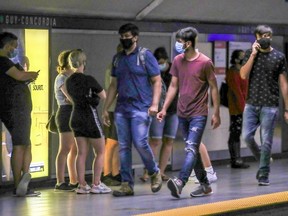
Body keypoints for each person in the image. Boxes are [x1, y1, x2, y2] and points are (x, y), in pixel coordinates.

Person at [157, 27, 221, 198]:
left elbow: (214, 88)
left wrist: (216, 113)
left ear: (188, 43)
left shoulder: (205, 62)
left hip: (199, 113)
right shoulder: (178, 61)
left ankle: (180, 182)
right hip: (182, 113)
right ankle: (206, 186)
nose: (177, 44)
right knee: (193, 151)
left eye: (179, 41)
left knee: (191, 149)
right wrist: (163, 108)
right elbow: (173, 86)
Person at [102, 23, 163, 197]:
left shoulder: (145, 56)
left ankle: (153, 172)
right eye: (122, 37)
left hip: (141, 108)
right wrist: (106, 108)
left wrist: (154, 104)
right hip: (122, 108)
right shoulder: (117, 59)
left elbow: (157, 80)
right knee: (124, 147)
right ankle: (127, 184)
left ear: (135, 37)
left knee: (140, 142)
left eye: (127, 37)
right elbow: (113, 85)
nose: (124, 40)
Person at [240, 25, 288, 186]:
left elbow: (283, 84)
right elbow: (243, 74)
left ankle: (263, 174)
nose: (265, 38)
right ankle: (263, 159)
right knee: (246, 137)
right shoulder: (250, 54)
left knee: (267, 141)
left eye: (268, 35)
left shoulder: (279, 57)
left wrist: (287, 108)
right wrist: (253, 54)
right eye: (262, 36)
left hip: (270, 105)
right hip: (251, 103)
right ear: (256, 37)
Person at [65, 49, 111, 194]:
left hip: (75, 117)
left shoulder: (69, 80)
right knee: (100, 151)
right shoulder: (89, 79)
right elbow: (104, 96)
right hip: (89, 117)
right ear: (84, 63)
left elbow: (72, 98)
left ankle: (82, 185)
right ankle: (96, 183)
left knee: (81, 153)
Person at [0, 32, 40, 196]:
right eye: (14, 47)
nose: (15, 50)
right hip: (16, 110)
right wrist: (31, 75)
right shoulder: (3, 62)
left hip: (18, 109)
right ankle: (19, 186)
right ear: (7, 45)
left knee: (25, 144)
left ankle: (24, 180)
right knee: (19, 145)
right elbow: (19, 75)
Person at [54, 50, 78, 191]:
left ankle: (74, 180)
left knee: (75, 148)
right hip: (65, 112)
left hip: (74, 112)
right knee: (65, 148)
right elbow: (69, 98)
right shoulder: (61, 77)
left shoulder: (73, 76)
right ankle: (60, 181)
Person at [101, 45, 122, 187]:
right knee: (111, 142)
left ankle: (115, 172)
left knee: (117, 143)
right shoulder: (113, 68)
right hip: (114, 109)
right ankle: (106, 173)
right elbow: (112, 89)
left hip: (120, 110)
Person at [226, 49, 249, 169]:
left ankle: (236, 158)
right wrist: (243, 108)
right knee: (235, 132)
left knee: (237, 132)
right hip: (236, 108)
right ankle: (235, 159)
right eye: (242, 57)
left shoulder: (242, 71)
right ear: (236, 59)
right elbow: (237, 92)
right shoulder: (233, 72)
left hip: (242, 106)